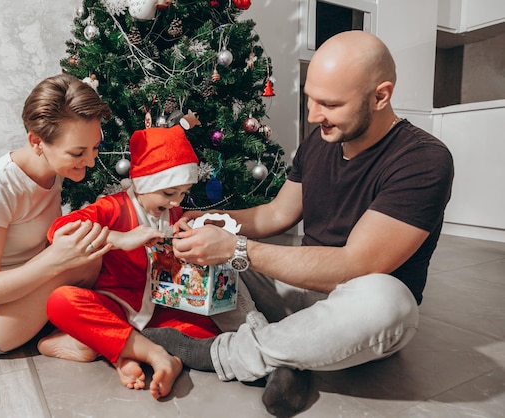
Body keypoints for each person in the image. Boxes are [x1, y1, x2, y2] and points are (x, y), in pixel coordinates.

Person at [141, 30, 455, 416]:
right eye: (310, 99)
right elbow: (276, 214)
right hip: (298, 290)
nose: (312, 116)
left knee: (389, 302)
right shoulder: (320, 141)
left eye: (329, 104)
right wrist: (217, 222)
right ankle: (288, 358)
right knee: (206, 258)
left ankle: (222, 354)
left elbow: (356, 266)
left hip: (354, 309)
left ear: (380, 96)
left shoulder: (423, 159)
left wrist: (238, 249)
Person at [0, 74, 113, 358]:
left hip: (19, 291)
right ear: (37, 142)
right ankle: (64, 331)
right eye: (77, 152)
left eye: (95, 148)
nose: (91, 161)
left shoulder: (55, 172)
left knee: (90, 257)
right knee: (78, 261)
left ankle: (61, 333)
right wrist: (56, 258)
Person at [43, 126, 223, 400]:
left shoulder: (173, 211)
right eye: (168, 193)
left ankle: (120, 350)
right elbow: (59, 231)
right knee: (61, 301)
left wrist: (186, 229)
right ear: (144, 183)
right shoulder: (112, 207)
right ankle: (153, 354)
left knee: (209, 325)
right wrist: (119, 238)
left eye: (183, 193)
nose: (176, 201)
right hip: (114, 306)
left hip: (160, 312)